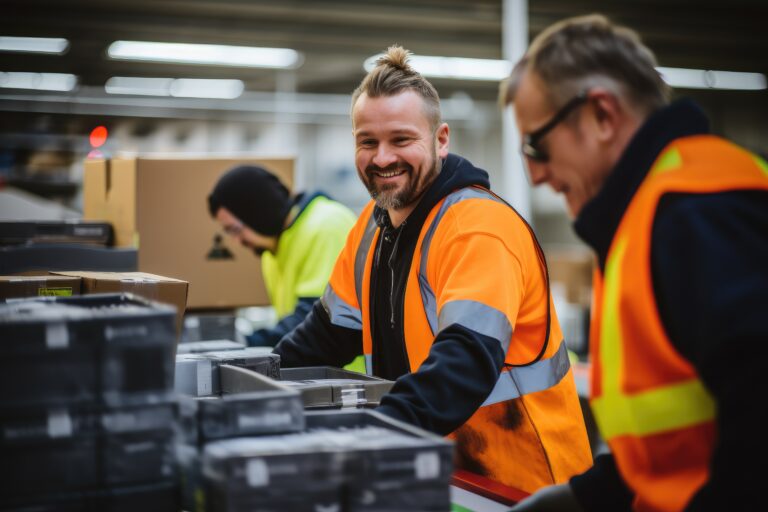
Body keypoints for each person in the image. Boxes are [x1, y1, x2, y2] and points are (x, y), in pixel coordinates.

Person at [273, 45, 592, 493]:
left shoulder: (478, 228)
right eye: (368, 142)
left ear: (441, 140)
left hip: (517, 485)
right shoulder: (372, 225)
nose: (382, 158)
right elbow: (324, 336)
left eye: (401, 140)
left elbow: (463, 362)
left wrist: (371, 436)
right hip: (436, 470)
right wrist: (254, 388)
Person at [502, 14, 768, 512]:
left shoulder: (698, 211)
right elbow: (672, 449)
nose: (535, 175)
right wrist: (585, 497)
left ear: (602, 115)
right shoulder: (645, 219)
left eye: (537, 144)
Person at [208, 164, 356, 347]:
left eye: (236, 230)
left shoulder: (326, 226)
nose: (237, 242)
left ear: (257, 212)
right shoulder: (273, 250)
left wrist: (249, 343)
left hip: (345, 373)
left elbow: (316, 320)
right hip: (308, 368)